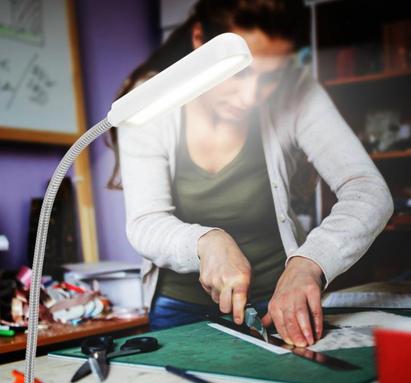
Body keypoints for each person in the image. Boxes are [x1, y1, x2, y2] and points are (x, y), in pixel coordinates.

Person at [112, 0, 394, 347]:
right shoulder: (150, 99)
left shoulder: (298, 91)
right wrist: (206, 242)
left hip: (279, 303)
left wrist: (309, 262)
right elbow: (145, 222)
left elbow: (368, 190)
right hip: (177, 308)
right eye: (240, 71)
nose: (250, 98)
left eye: (270, 78)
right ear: (200, 38)